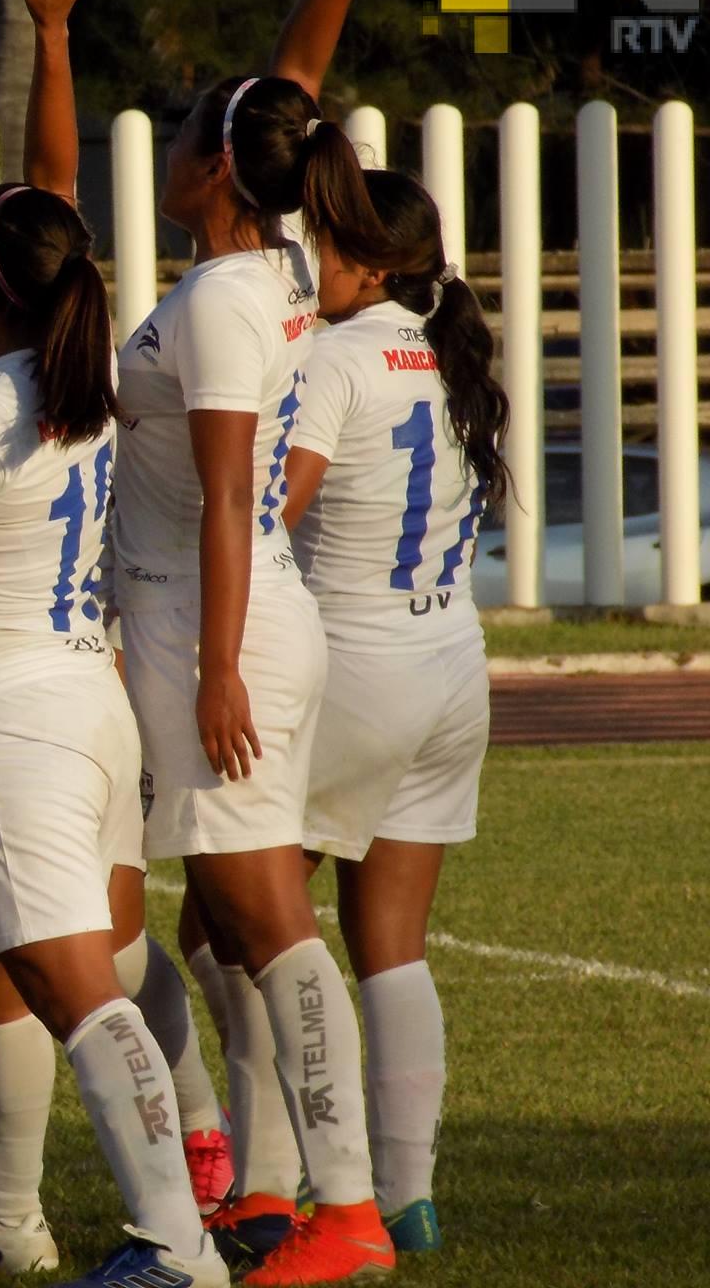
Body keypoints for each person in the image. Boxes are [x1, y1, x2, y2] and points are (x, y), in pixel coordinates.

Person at [0, 0, 227, 1288]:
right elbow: (53, 198)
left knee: (75, 982)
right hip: (80, 692)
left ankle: (173, 1239)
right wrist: (60, 35)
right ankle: (10, 1221)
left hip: (3, 705)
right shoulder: (78, 377)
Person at [111, 0, 406, 1281]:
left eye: (183, 135)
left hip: (214, 627)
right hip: (229, 620)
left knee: (270, 920)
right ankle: (278, 1191)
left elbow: (234, 495)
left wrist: (213, 671)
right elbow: (291, 87)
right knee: (226, 922)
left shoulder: (228, 298)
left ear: (217, 173)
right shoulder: (274, 254)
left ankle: (347, 1209)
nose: (170, 149)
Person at [281, 170, 506, 1256]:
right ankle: (406, 1196)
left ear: (368, 262)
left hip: (354, 667)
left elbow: (268, 510)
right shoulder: (445, 347)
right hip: (448, 666)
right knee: (390, 947)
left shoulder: (334, 357)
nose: (301, 262)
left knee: (235, 931)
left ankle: (275, 1182)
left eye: (318, 244)